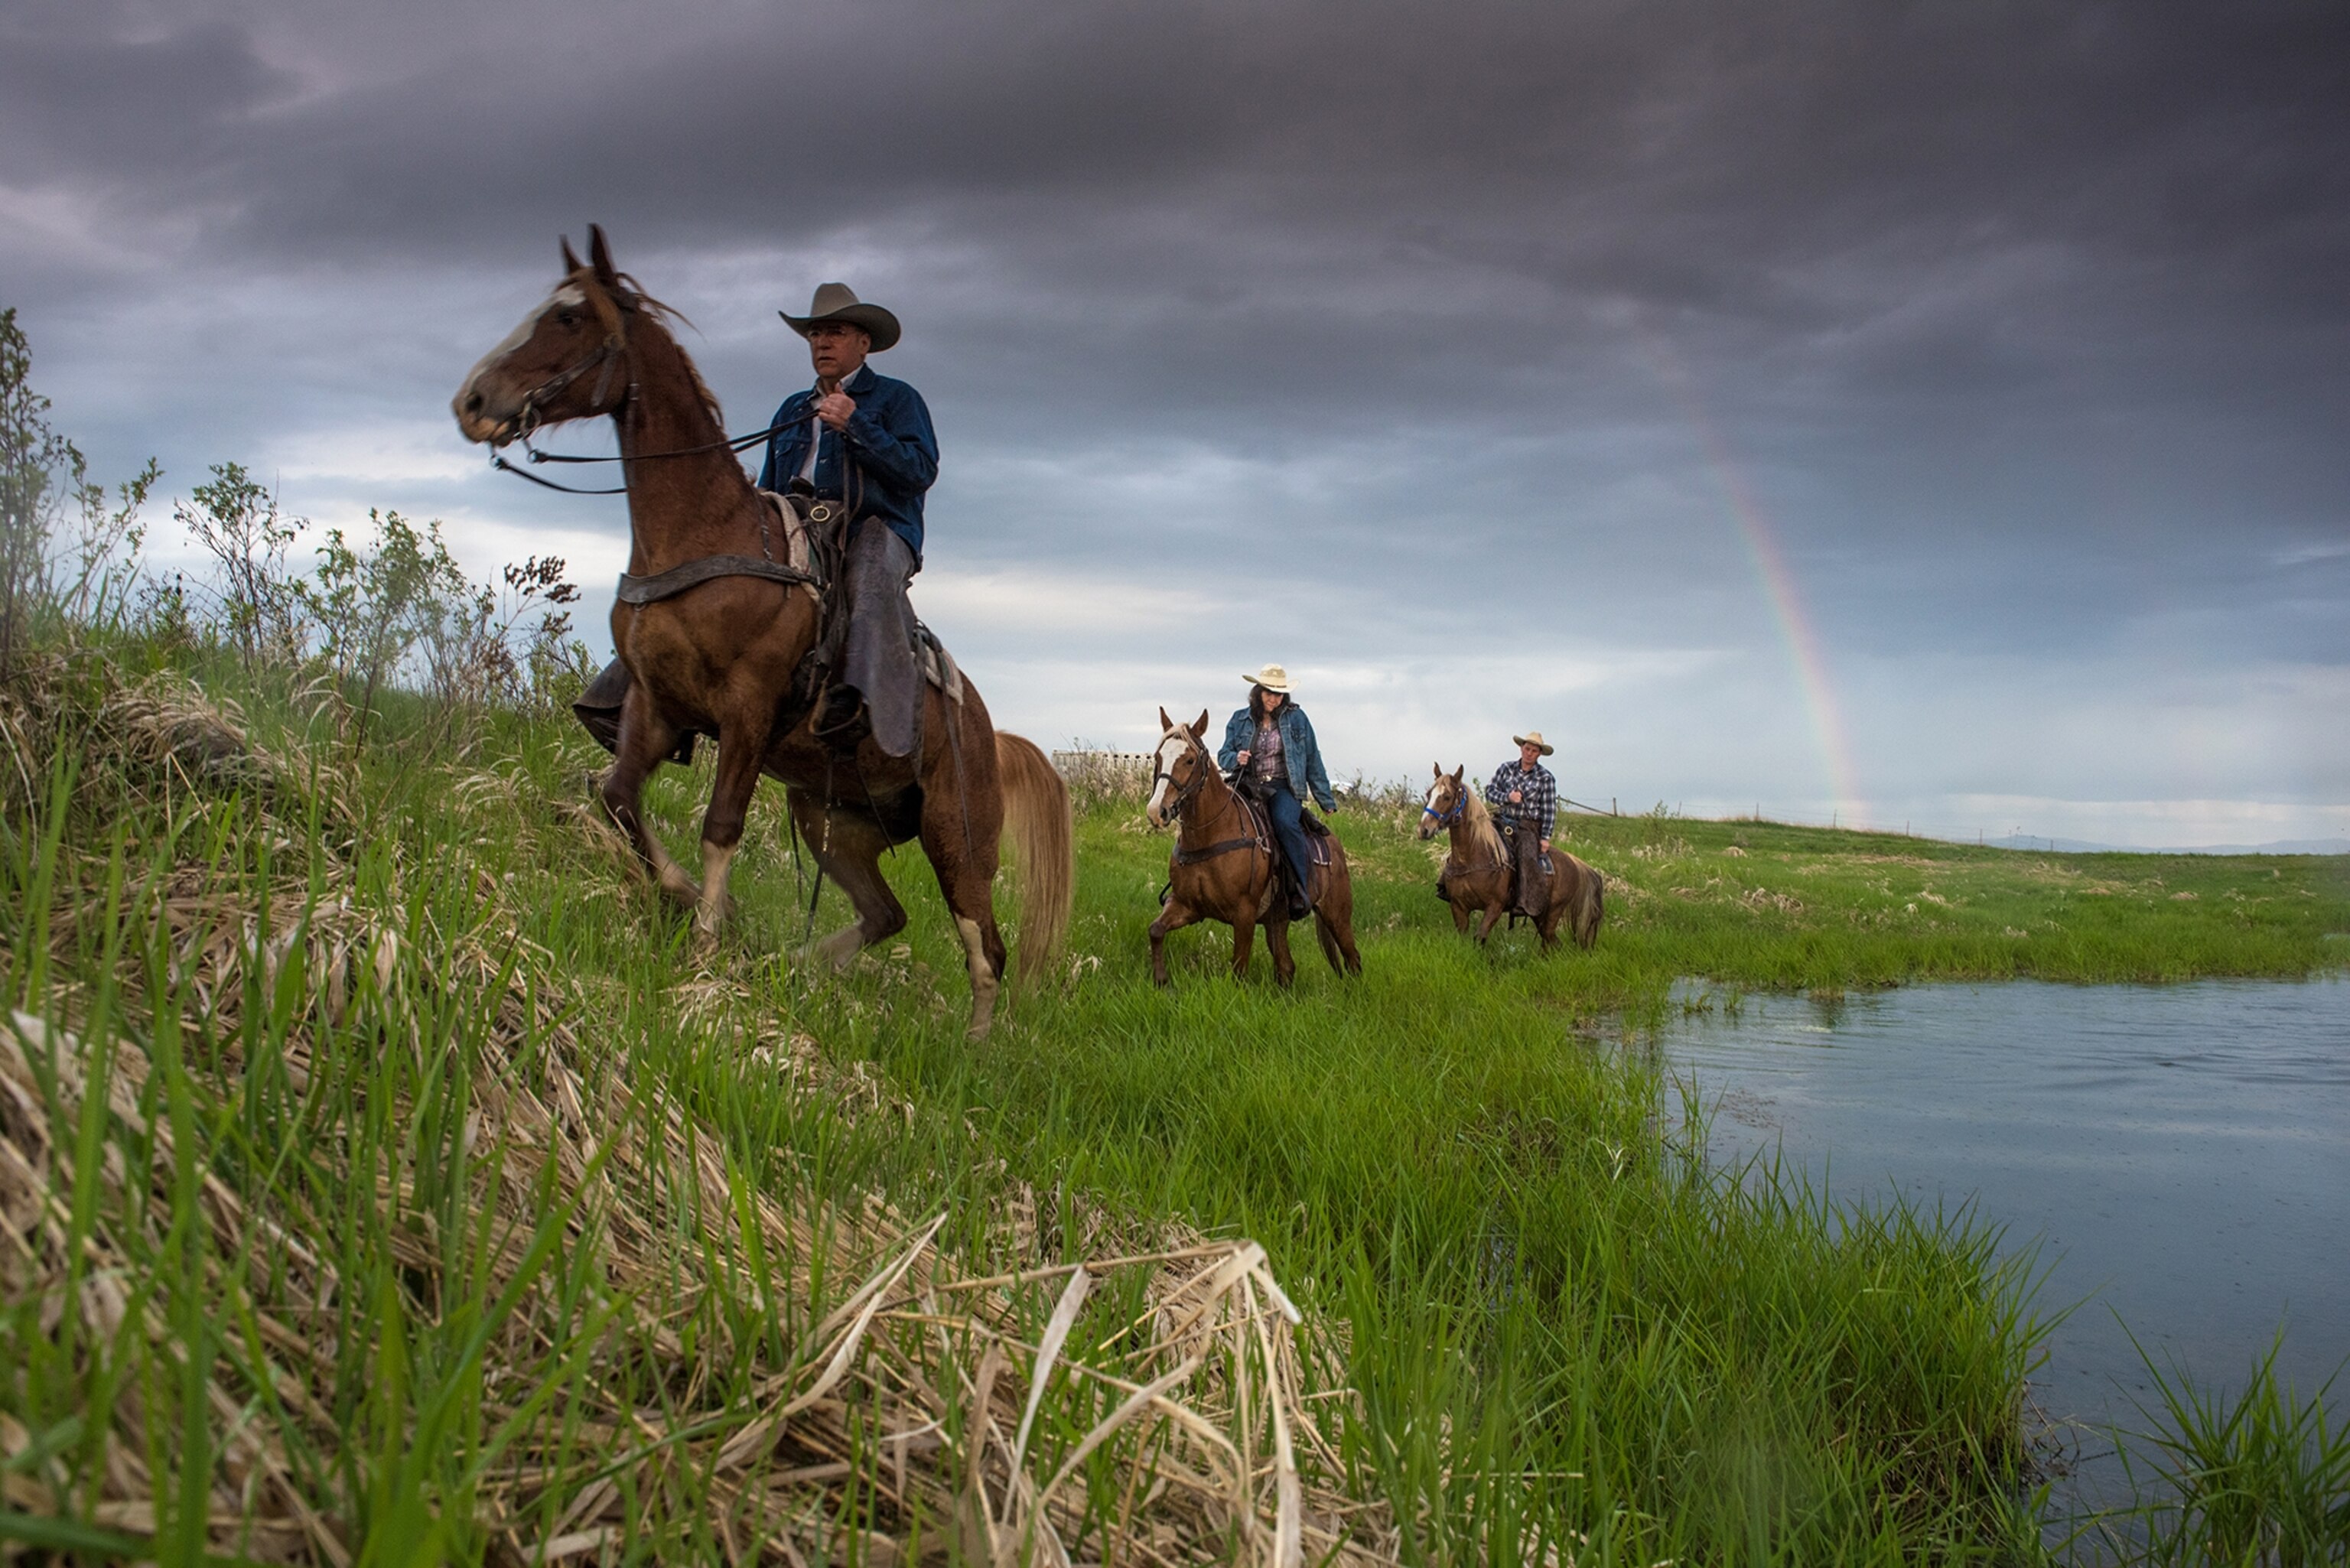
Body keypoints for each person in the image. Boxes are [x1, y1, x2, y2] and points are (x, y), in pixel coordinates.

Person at [757, 283, 939, 757]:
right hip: (799, 529)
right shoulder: (792, 409)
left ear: (863, 342)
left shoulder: (897, 400)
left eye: (835, 332)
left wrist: (857, 426)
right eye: (815, 334)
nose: (822, 343)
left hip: (875, 530)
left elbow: (919, 472)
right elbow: (769, 489)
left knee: (871, 575)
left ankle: (855, 701)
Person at [1216, 664, 1338, 919]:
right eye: (1269, 692)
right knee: (1219, 818)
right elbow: (1223, 754)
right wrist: (1235, 757)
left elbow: (1312, 758)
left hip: (1284, 787)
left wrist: (1325, 798)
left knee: (1284, 824)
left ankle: (1300, 889)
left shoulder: (1297, 719)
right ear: (1258, 692)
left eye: (1279, 694)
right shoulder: (1239, 719)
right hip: (1248, 784)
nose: (1274, 698)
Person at [1485, 730, 1558, 919]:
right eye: (1527, 748)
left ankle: (1525, 903)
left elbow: (1549, 810)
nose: (1529, 753)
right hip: (1502, 819)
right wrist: (1507, 797)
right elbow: (1490, 792)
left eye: (1534, 751)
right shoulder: (1505, 768)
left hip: (1527, 826)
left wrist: (1545, 837)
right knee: (1475, 840)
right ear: (1521, 748)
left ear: (1539, 754)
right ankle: (1450, 886)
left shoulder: (1546, 778)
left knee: (1527, 857)